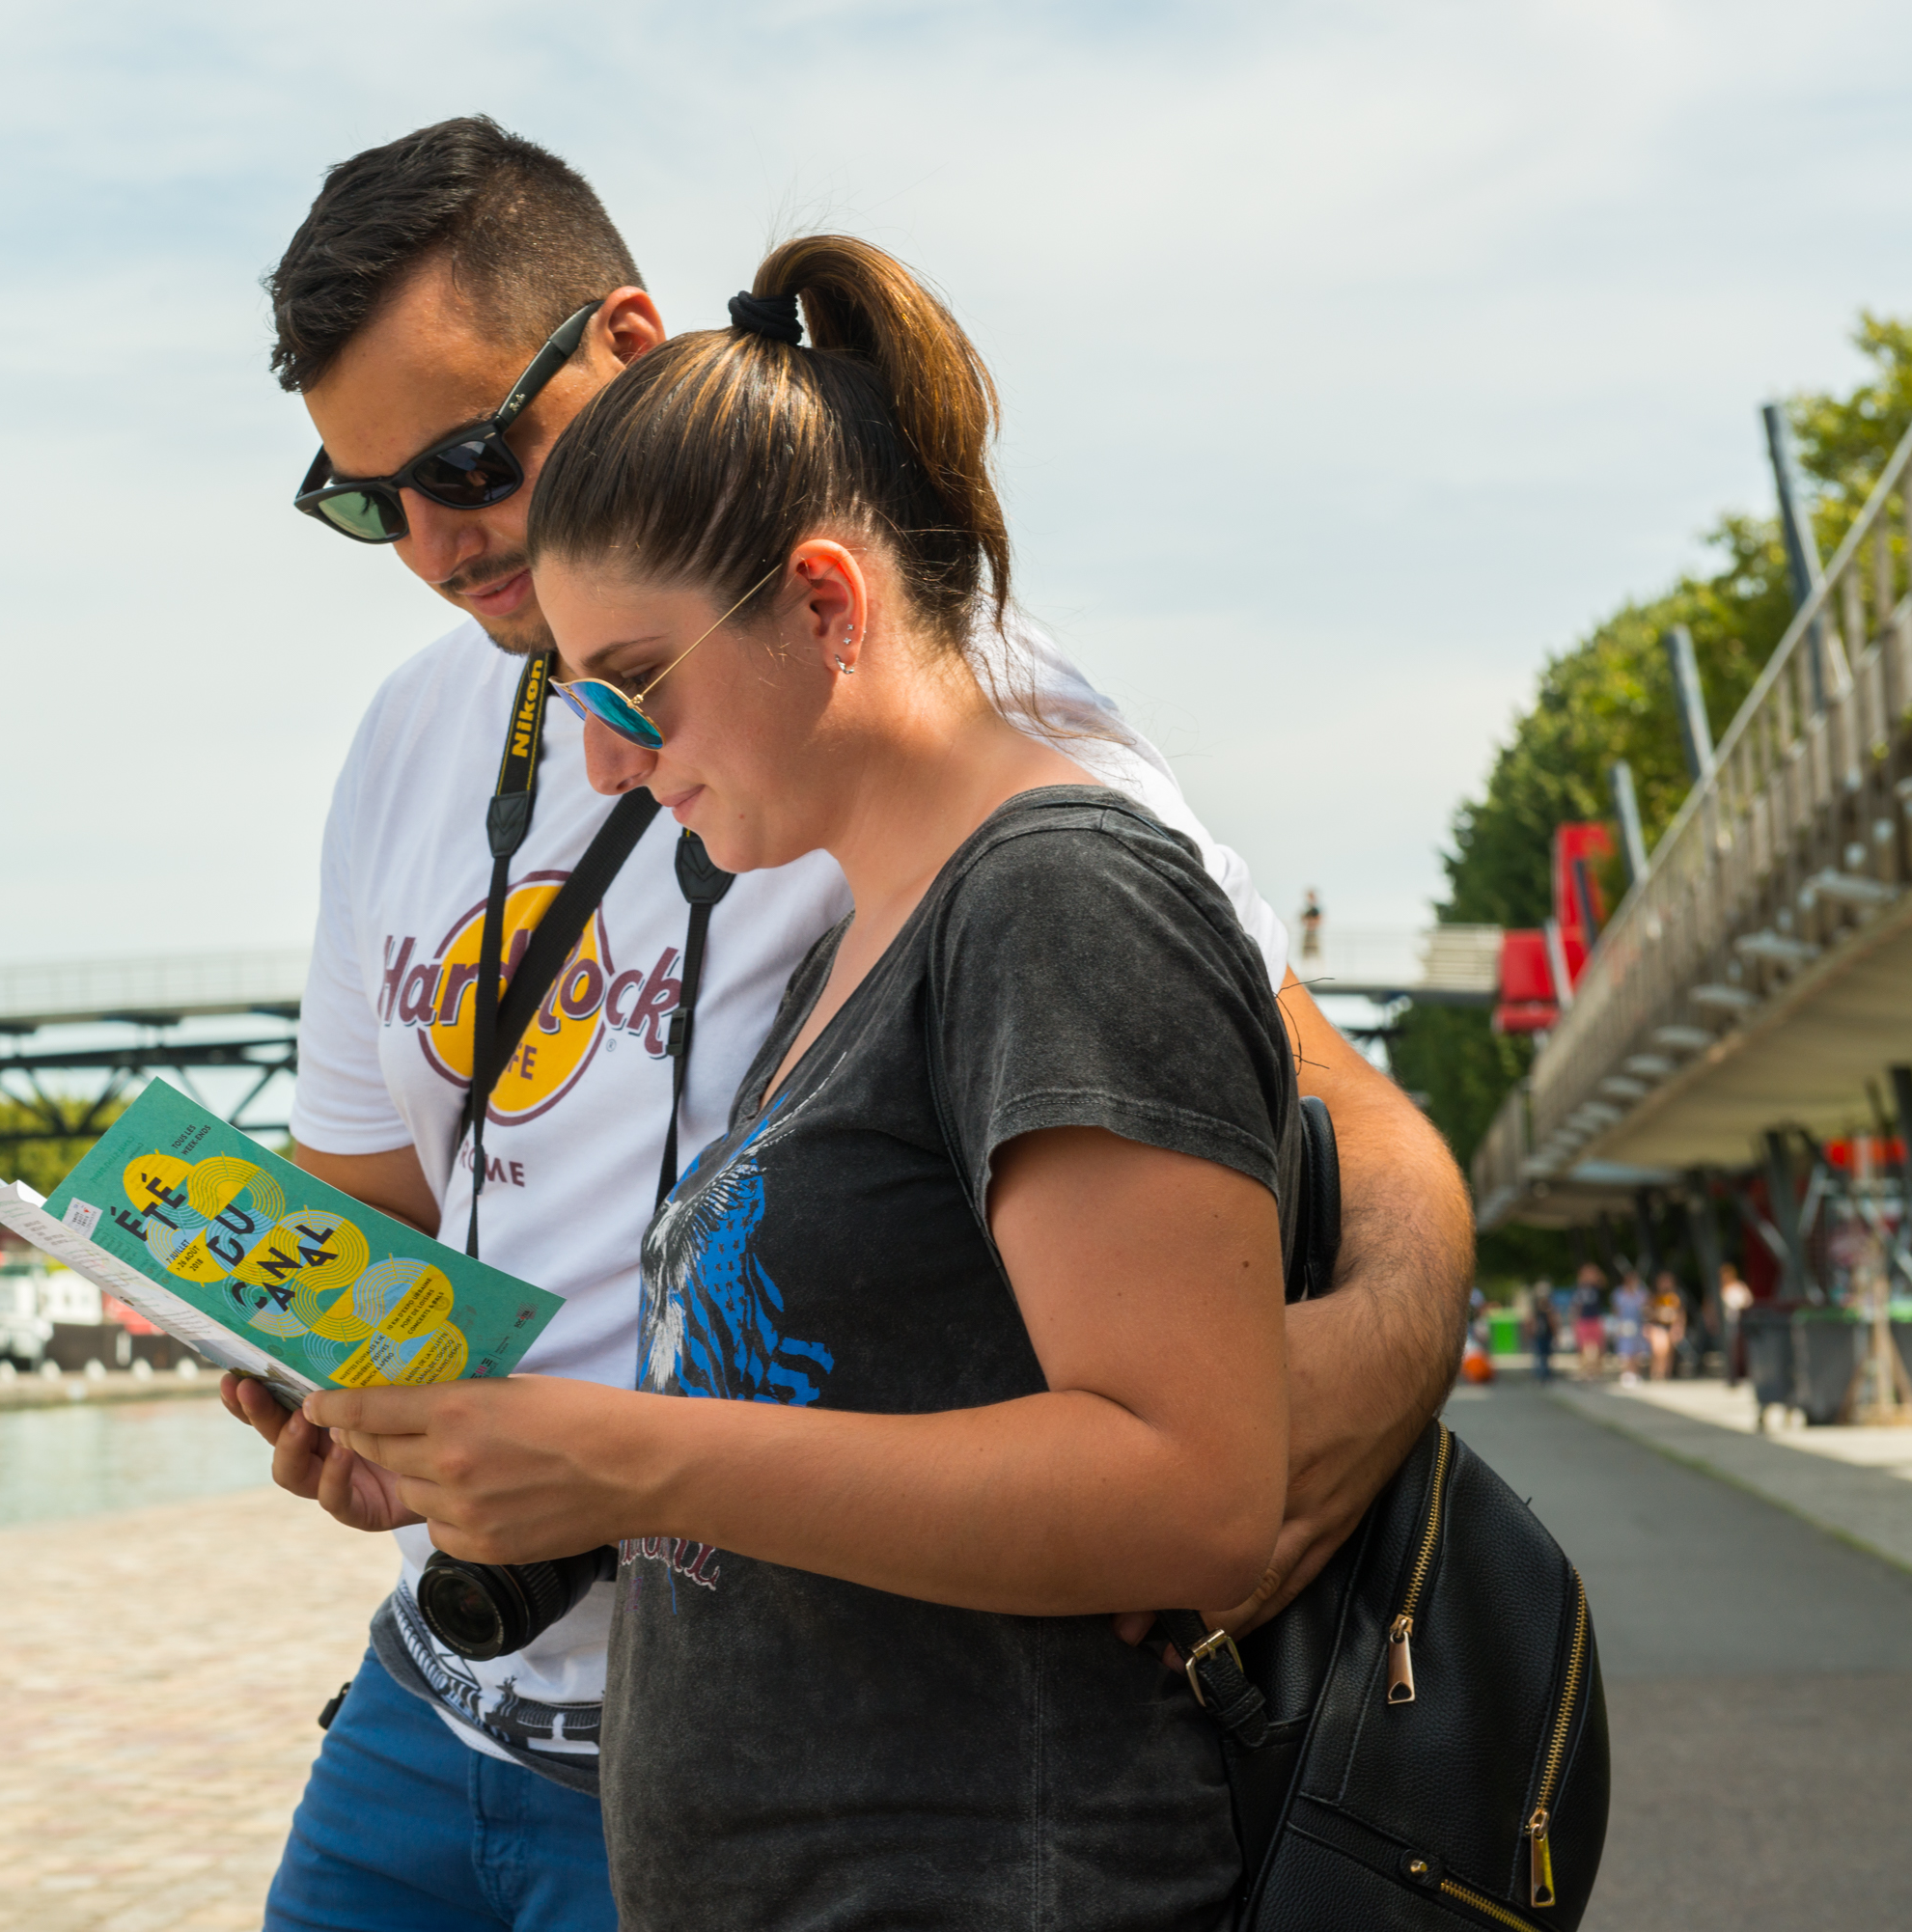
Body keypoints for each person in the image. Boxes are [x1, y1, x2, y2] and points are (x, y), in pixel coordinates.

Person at [223, 119, 1473, 1932]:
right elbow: (372, 1198)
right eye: (365, 502)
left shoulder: (945, 731)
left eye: (468, 458)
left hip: (856, 1765)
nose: (433, 543)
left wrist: (1330, 1397)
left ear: (629, 345)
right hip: (457, 1705)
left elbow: (1349, 1131)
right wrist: (291, 1354)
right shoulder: (414, 746)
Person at [1721, 1259, 1754, 1383]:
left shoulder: (1740, 1287)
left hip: (1740, 1322)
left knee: (1742, 1348)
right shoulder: (1720, 1289)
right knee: (1730, 1347)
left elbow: (1748, 1301)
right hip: (1727, 1323)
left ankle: (1742, 1372)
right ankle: (1731, 1373)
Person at [1573, 1263, 1609, 1376]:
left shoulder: (1596, 1287)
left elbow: (1604, 1282)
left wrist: (1596, 1272)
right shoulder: (1579, 1289)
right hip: (1584, 1320)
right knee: (1583, 1347)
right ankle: (1585, 1370)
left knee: (1599, 1346)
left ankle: (1597, 1370)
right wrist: (1575, 1321)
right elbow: (1576, 1306)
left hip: (1595, 1319)